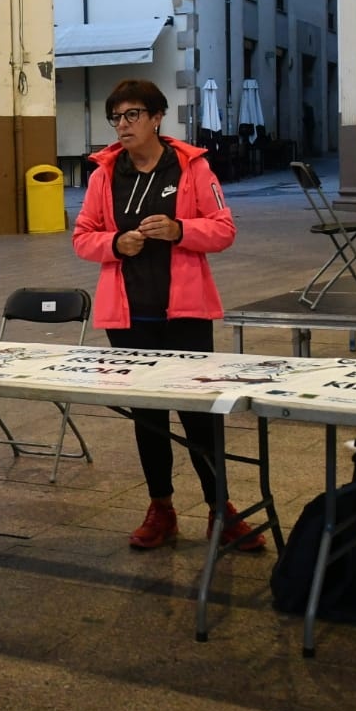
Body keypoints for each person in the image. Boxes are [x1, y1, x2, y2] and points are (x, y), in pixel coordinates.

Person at [72, 79, 265, 553]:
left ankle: (221, 509)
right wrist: (115, 243)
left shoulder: (192, 167)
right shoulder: (104, 175)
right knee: (149, 416)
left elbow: (223, 229)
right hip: (129, 316)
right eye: (116, 117)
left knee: (200, 416)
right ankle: (161, 508)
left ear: (157, 117)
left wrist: (180, 230)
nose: (123, 125)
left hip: (185, 314)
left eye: (132, 115)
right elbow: (82, 237)